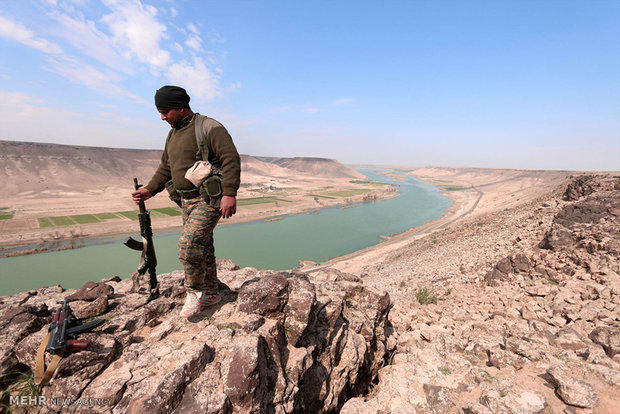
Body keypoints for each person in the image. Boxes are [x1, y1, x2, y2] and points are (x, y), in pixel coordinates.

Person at [132, 85, 241, 318]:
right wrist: (150, 190)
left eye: (165, 112)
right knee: (204, 247)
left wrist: (229, 193)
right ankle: (211, 292)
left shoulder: (210, 128)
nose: (162, 117)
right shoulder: (172, 133)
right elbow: (166, 167)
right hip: (185, 201)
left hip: (209, 199)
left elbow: (230, 160)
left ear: (180, 107)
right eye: (159, 112)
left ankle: (195, 291)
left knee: (188, 246)